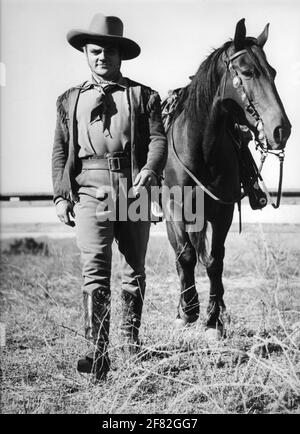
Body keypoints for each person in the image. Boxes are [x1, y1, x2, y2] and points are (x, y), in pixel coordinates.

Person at [52, 13, 167, 381]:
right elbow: (59, 151)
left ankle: (131, 345)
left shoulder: (145, 96)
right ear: (86, 53)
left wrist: (149, 172)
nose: (103, 57)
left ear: (121, 56)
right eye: (96, 50)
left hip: (133, 187)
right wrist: (60, 195)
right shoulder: (69, 100)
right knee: (94, 269)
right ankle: (97, 354)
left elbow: (159, 141)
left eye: (110, 51)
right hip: (89, 188)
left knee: (134, 269)